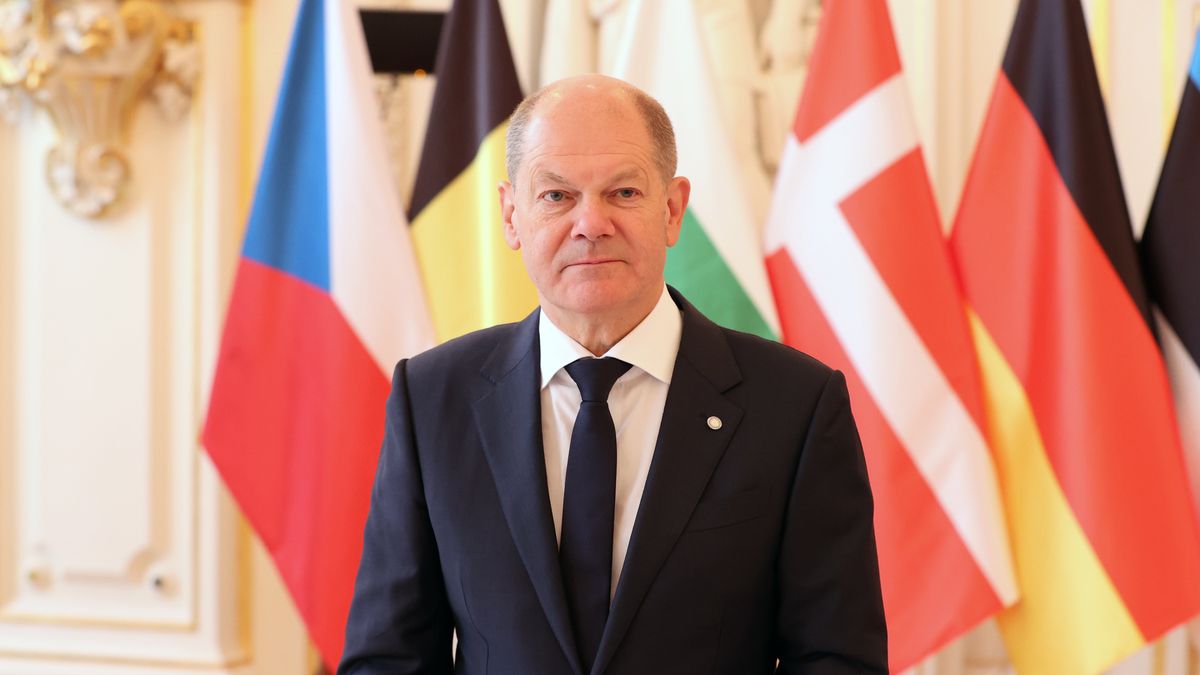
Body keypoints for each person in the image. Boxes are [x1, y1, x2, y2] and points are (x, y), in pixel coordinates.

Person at [339, 75, 886, 675]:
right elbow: (388, 658)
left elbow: (837, 659)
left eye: (623, 192)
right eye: (556, 196)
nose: (591, 223)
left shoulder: (797, 405)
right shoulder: (431, 398)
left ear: (672, 209)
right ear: (511, 215)